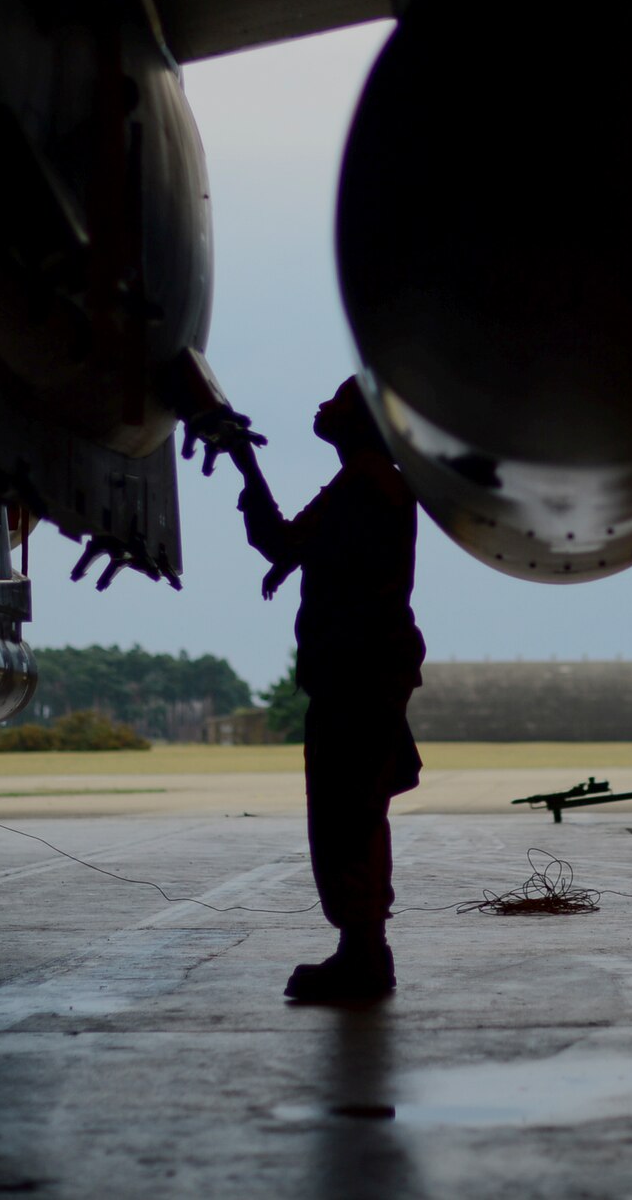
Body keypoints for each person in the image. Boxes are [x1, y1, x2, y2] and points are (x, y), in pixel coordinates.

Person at [227, 376, 425, 1002]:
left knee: (345, 816)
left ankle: (363, 953)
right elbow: (310, 547)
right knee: (360, 814)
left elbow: (282, 537)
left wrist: (243, 460)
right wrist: (290, 562)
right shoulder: (372, 481)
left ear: (361, 421)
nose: (322, 407)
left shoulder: (365, 481)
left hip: (355, 674)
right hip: (369, 669)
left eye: (337, 401)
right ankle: (364, 948)